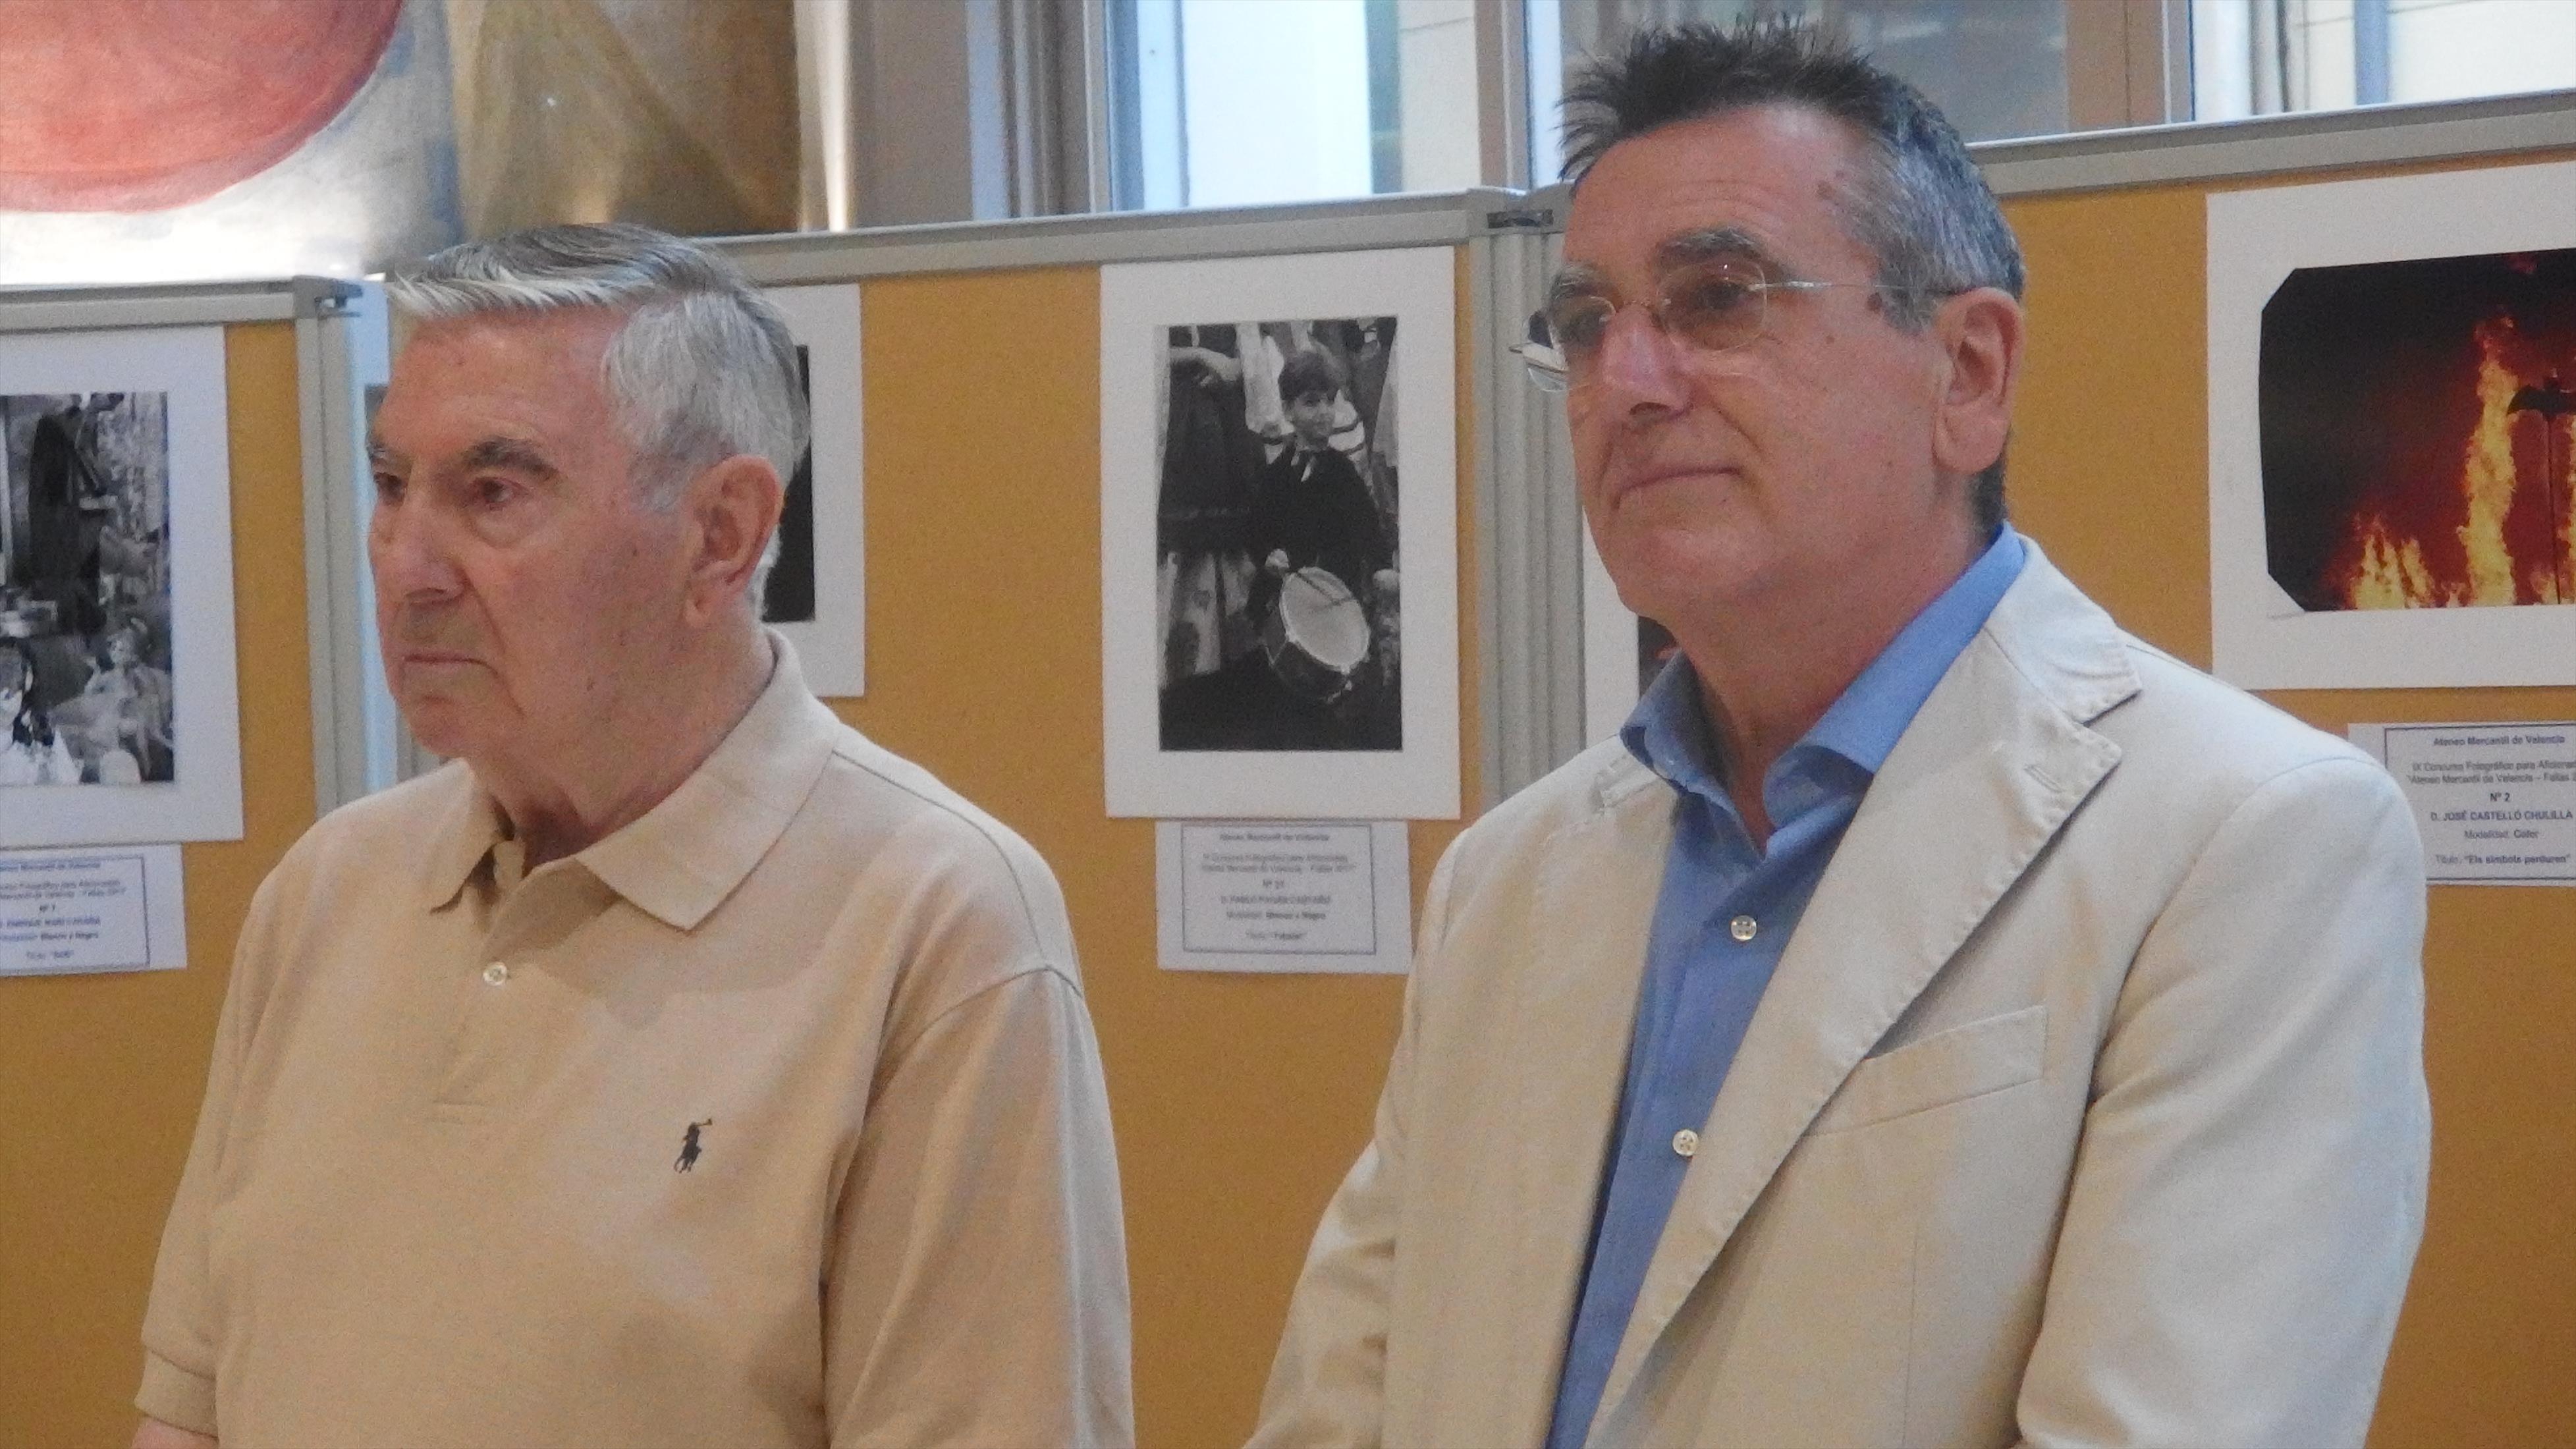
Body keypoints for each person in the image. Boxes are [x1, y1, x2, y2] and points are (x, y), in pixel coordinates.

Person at [1249, 21, 2427, 1449]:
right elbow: (1338, 1408)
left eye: (1717, 299)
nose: (1628, 380)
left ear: (1966, 372)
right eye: (1585, 323)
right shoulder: (1506, 878)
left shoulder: (2242, 840)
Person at [133, 225, 1132, 1449]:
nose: (409, 567)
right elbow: (191, 1407)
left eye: (494, 493)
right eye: (393, 486)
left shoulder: (933, 920)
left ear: (720, 535)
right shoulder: (332, 887)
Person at [0, 640, 80, 786]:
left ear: (29, 679)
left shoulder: (43, 731)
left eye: (11, 673)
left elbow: (69, 783)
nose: (4, 690)